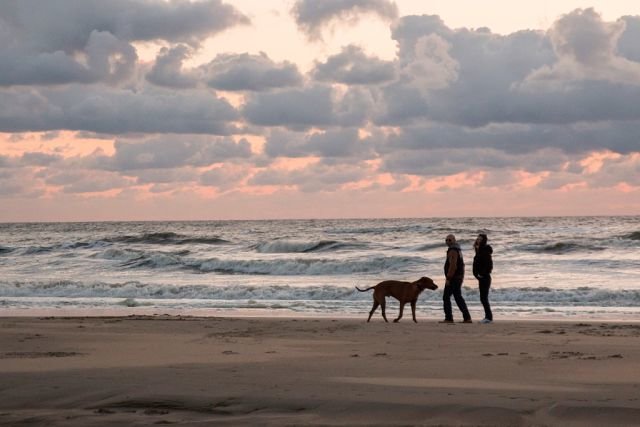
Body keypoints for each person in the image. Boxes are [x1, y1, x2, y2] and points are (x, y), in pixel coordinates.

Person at [440, 234, 472, 323]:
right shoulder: (458, 250)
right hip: (458, 277)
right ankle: (467, 317)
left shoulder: (453, 250)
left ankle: (449, 318)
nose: (447, 242)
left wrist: (449, 278)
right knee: (458, 297)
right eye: (446, 240)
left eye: (450, 240)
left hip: (454, 278)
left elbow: (453, 266)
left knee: (446, 297)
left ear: (454, 240)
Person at [473, 233, 494, 324]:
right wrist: (476, 275)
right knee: (483, 298)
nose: (478, 240)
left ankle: (488, 317)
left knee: (483, 298)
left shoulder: (485, 251)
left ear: (484, 240)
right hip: (481, 278)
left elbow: (489, 265)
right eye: (478, 238)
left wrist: (482, 274)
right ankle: (488, 317)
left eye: (480, 239)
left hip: (485, 278)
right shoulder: (479, 250)